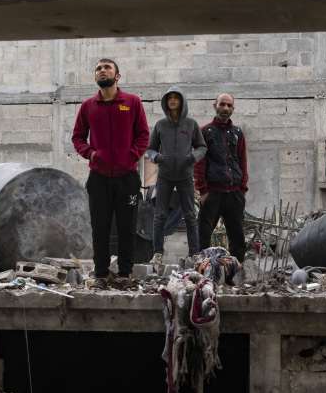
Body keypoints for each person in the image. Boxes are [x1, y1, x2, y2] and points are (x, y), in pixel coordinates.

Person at [71, 58, 150, 283]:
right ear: (96, 77)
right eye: (98, 68)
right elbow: (77, 137)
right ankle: (101, 274)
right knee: (100, 229)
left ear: (117, 76)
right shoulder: (88, 106)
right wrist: (91, 154)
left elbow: (143, 135)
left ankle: (125, 273)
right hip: (98, 179)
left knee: (127, 228)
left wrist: (132, 155)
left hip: (128, 179)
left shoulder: (132, 103)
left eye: (107, 67)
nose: (102, 70)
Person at [146, 86, 206, 263]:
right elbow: (150, 149)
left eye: (176, 98)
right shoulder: (160, 125)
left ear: (182, 101)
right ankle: (157, 253)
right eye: (169, 98)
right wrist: (157, 157)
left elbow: (202, 147)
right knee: (160, 216)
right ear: (166, 102)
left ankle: (194, 253)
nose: (172, 100)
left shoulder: (191, 124)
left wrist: (192, 157)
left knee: (189, 215)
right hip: (164, 176)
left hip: (185, 176)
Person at [194, 92, 248, 262]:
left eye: (229, 105)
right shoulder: (205, 132)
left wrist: (242, 188)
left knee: (237, 237)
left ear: (233, 109)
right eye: (222, 104)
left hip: (234, 194)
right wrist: (202, 190)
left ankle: (235, 275)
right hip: (213, 193)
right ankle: (202, 272)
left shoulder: (238, 133)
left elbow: (242, 161)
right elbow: (200, 162)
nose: (225, 108)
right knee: (203, 235)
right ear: (215, 105)